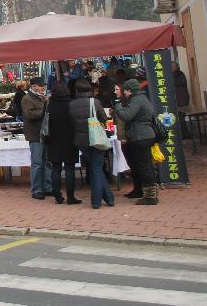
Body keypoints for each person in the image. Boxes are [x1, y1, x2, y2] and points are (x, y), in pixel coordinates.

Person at [69, 80, 115, 209]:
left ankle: (109, 198)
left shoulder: (71, 104)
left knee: (95, 168)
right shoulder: (94, 102)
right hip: (97, 139)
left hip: (81, 140)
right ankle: (96, 201)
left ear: (76, 90)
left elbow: (72, 122)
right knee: (97, 169)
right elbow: (103, 119)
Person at [115, 79, 158, 205]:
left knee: (144, 167)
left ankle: (150, 196)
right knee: (145, 166)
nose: (125, 93)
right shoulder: (142, 98)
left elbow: (127, 116)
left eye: (125, 90)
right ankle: (146, 192)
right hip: (144, 135)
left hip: (140, 136)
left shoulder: (136, 100)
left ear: (129, 90)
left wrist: (117, 105)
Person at [46, 82, 80, 204]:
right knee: (70, 168)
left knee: (55, 168)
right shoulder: (71, 104)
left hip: (53, 139)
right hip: (70, 139)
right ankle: (71, 196)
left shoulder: (49, 104)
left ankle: (57, 195)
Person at [22, 77, 53, 200]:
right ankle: (37, 189)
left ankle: (47, 187)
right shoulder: (27, 98)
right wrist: (45, 110)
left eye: (44, 86)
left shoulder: (41, 97)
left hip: (45, 133)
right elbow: (30, 115)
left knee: (46, 162)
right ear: (33, 86)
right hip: (35, 135)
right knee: (37, 163)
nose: (43, 88)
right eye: (41, 86)